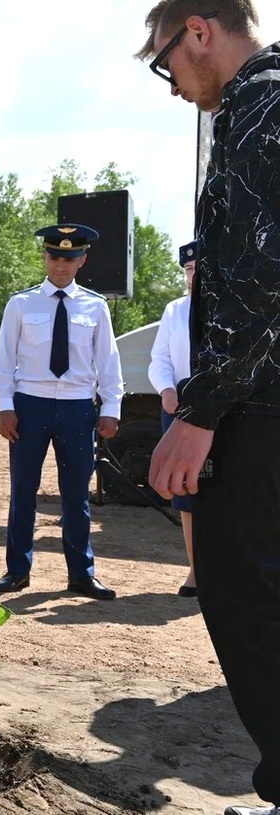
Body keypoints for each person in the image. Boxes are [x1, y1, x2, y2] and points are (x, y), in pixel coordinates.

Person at [138, 4, 280, 813]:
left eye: (167, 64)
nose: (173, 86)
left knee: (243, 591)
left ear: (199, 30)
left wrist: (202, 411)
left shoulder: (263, 108)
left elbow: (265, 277)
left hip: (262, 406)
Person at [0, 223, 123, 601]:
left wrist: (110, 408)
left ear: (83, 259)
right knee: (23, 491)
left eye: (69, 258)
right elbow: (4, 360)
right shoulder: (21, 303)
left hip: (77, 408)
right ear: (45, 257)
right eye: (54, 256)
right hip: (29, 406)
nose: (60, 265)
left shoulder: (95, 306)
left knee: (76, 494)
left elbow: (108, 363)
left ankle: (81, 574)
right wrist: (5, 406)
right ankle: (17, 571)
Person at [147, 240, 198, 598]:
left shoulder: (234, 309)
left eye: (198, 269)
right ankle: (196, 570)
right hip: (179, 411)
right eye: (187, 270)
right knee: (187, 495)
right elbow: (160, 358)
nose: (193, 276)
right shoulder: (175, 310)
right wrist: (166, 389)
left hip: (223, 414)